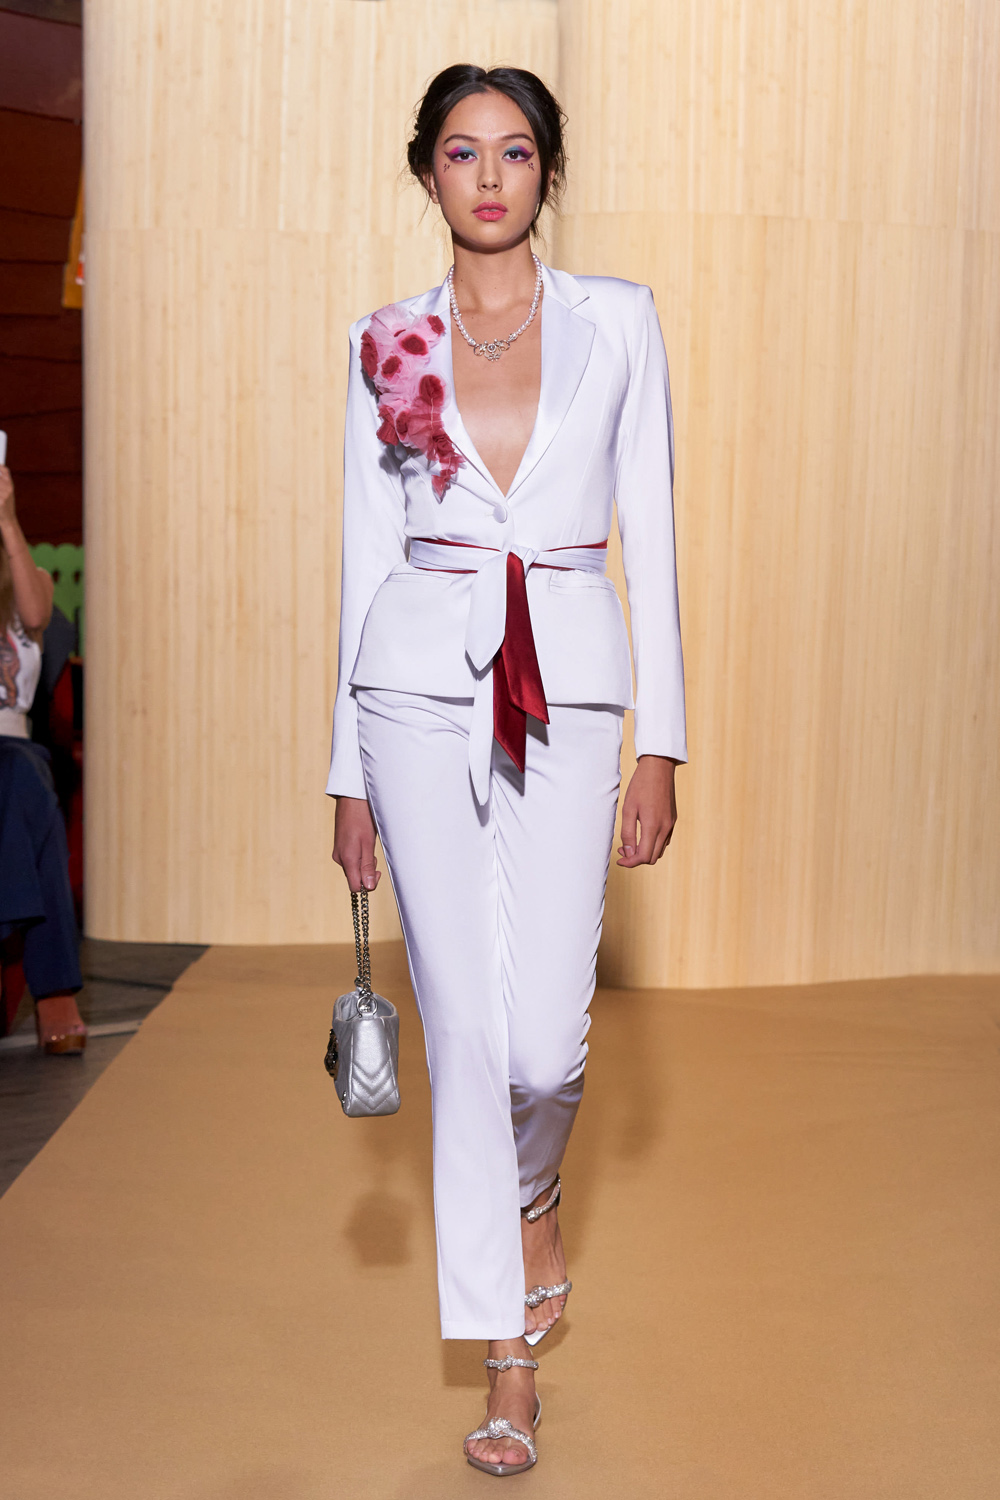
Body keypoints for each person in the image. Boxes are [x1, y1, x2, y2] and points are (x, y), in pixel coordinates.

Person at [328, 65, 685, 1476]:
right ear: (427, 172)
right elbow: (366, 553)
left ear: (547, 170)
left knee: (544, 1042)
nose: (489, 176)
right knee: (466, 1035)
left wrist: (663, 739)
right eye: (463, 152)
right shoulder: (390, 343)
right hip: (415, 688)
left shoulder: (619, 323)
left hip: (571, 688)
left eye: (516, 151)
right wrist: (345, 772)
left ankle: (532, 1202)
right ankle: (506, 1362)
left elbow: (649, 527)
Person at [0, 463, 86, 1053]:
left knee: (22, 776)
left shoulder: (29, 580)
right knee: (32, 798)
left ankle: (50, 987)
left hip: (11, 744)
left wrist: (7, 519)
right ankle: (54, 990)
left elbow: (35, 618)